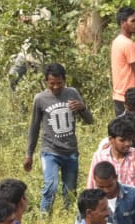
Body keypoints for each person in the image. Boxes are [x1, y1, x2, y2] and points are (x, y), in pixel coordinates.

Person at [24, 63, 96, 214]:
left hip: (70, 150)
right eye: (52, 84)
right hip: (50, 150)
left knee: (70, 190)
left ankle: (67, 215)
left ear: (65, 80)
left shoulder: (72, 93)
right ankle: (45, 216)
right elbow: (34, 127)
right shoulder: (40, 99)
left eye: (59, 83)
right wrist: (29, 154)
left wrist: (82, 108)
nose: (56, 87)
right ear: (46, 82)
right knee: (50, 185)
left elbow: (90, 121)